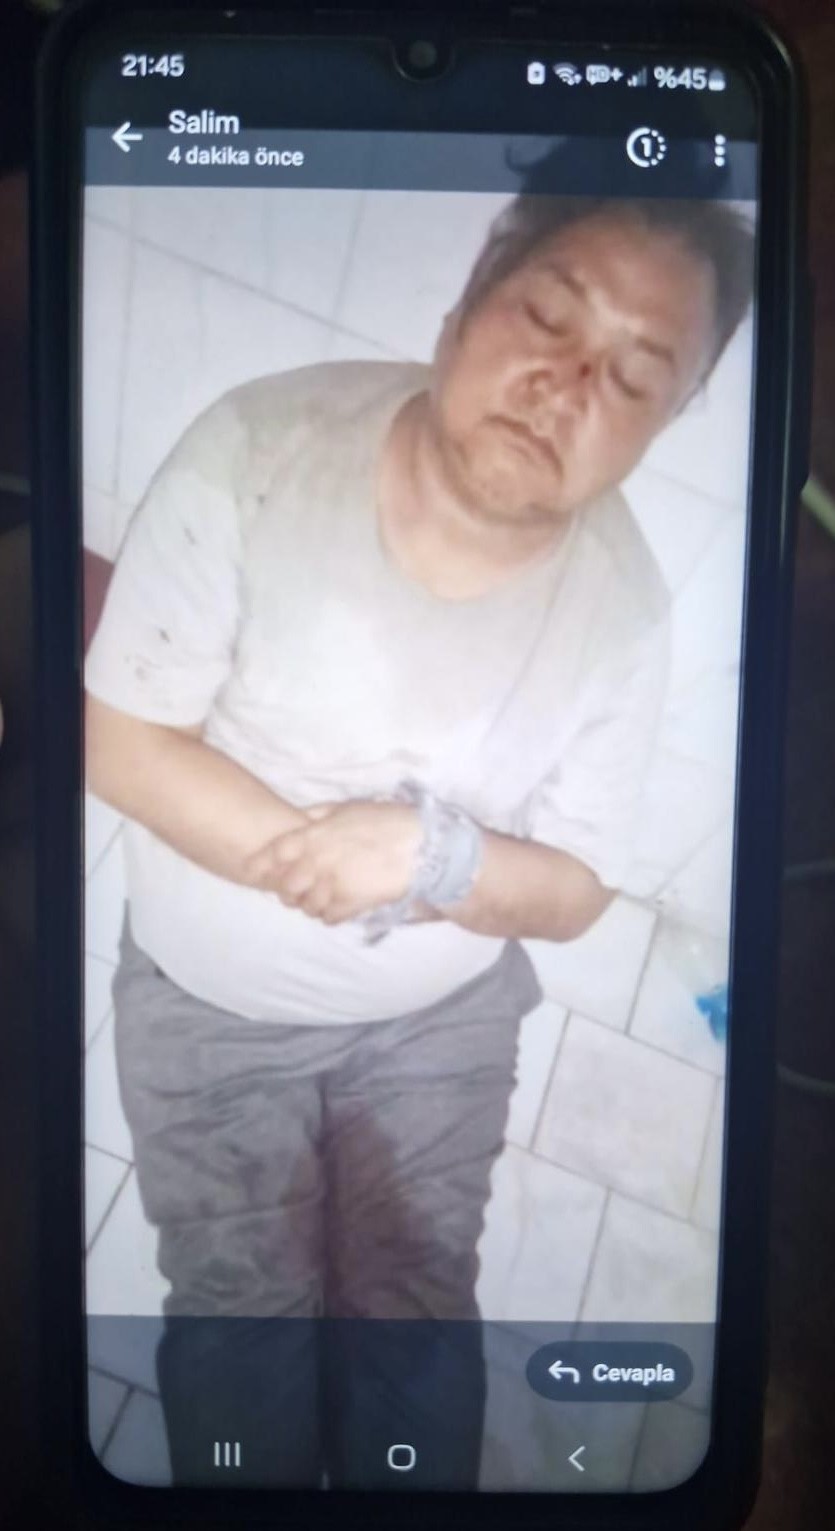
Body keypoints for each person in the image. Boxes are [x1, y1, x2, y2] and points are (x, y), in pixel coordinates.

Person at [84, 174, 754, 1489]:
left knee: (413, 1301)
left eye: (633, 378)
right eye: (548, 317)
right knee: (242, 1313)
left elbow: (577, 892)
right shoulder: (256, 451)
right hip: (207, 1004)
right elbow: (122, 743)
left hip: (437, 1022)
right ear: (472, 294)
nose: (565, 388)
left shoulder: (625, 611)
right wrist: (328, 856)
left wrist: (430, 856)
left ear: (666, 423)